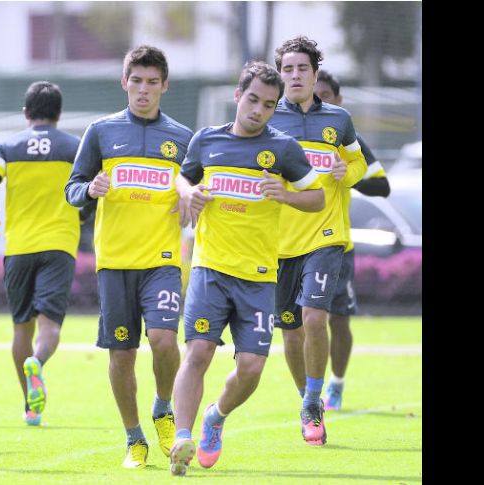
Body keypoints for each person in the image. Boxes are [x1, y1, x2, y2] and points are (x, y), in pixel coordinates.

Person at [167, 61, 324, 475]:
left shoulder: (284, 149)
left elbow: (318, 198)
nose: (259, 110)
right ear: (238, 96)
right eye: (253, 99)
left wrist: (286, 195)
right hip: (210, 270)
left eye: (269, 105)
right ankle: (182, 438)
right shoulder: (206, 141)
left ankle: (215, 418)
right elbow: (182, 179)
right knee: (197, 351)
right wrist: (192, 192)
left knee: (251, 368)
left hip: (257, 277)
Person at [65, 45, 193, 469]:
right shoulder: (101, 132)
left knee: (163, 339)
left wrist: (196, 200)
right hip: (115, 262)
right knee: (121, 354)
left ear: (164, 86)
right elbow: (72, 188)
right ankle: (134, 438)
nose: (143, 90)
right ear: (124, 82)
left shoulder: (181, 138)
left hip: (162, 259)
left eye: (152, 82)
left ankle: (162, 406)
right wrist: (89, 191)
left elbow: (197, 189)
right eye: (136, 81)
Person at [268, 36, 367, 446]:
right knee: (290, 333)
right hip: (277, 243)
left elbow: (358, 160)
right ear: (280, 75)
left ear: (314, 73)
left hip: (326, 237)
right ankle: (307, 398)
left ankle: (313, 401)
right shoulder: (267, 119)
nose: (294, 76)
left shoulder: (338, 120)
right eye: (287, 69)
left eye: (301, 69)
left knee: (314, 317)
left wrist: (350, 172)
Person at [0, 81, 83, 426]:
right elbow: (91, 191)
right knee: (49, 327)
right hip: (59, 244)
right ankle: (38, 361)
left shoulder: (7, 145)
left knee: (21, 329)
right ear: (59, 113)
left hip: (19, 246)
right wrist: (82, 217)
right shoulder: (75, 147)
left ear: (26, 113)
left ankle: (29, 404)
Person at [313, 70, 391, 411]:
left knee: (337, 319)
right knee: (301, 323)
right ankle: (309, 395)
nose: (319, 100)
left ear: (339, 101)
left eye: (326, 95)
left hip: (335, 244)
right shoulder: (287, 133)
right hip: (288, 244)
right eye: (314, 94)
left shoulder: (348, 140)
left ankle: (337, 383)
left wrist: (350, 176)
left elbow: (382, 185)